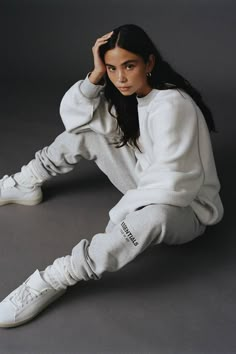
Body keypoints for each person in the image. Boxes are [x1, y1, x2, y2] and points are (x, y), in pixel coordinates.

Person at [0, 24, 224, 328]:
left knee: (151, 218)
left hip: (186, 208)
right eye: (112, 68)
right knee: (88, 132)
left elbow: (175, 182)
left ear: (150, 63)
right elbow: (75, 118)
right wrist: (95, 74)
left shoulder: (172, 105)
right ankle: (26, 183)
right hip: (148, 183)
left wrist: (124, 215)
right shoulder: (128, 94)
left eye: (129, 66)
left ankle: (59, 276)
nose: (120, 77)